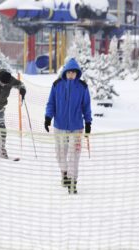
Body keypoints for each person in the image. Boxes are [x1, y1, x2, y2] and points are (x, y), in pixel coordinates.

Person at [44, 58, 92, 194]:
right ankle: (64, 173)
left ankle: (72, 181)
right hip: (60, 126)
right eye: (69, 72)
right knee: (60, 154)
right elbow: (51, 103)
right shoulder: (57, 85)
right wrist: (48, 118)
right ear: (65, 72)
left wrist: (88, 123)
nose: (71, 75)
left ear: (77, 73)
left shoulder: (82, 87)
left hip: (76, 127)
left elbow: (86, 106)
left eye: (74, 73)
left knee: (74, 155)